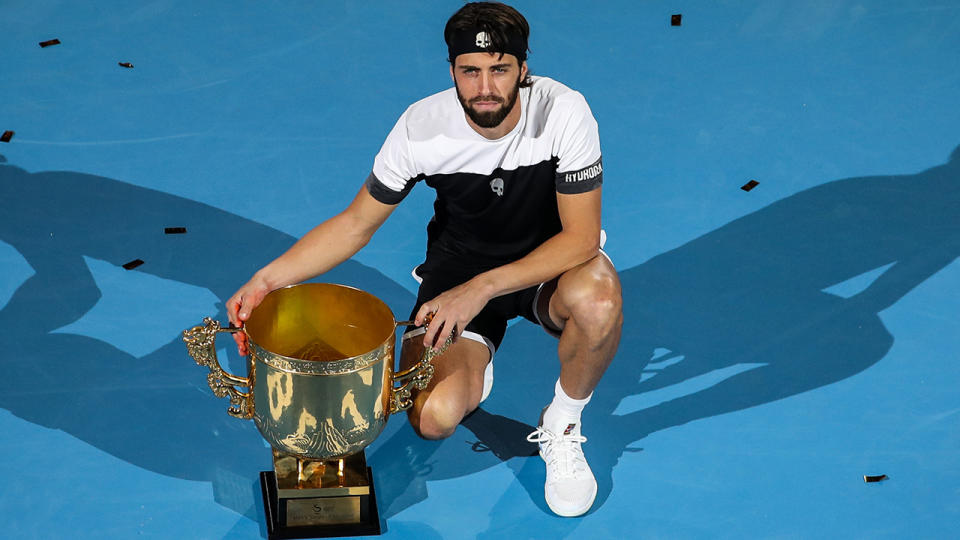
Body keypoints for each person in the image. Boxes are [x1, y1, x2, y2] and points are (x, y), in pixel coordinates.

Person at [227, 2, 622, 517]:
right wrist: (265, 280)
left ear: (523, 71)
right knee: (434, 419)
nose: (485, 87)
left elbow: (581, 239)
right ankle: (476, 361)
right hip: (458, 271)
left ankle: (563, 424)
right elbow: (355, 224)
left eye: (500, 70)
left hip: (549, 267)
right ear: (453, 71)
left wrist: (480, 289)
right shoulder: (421, 127)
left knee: (598, 300)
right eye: (470, 71)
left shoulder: (565, 112)